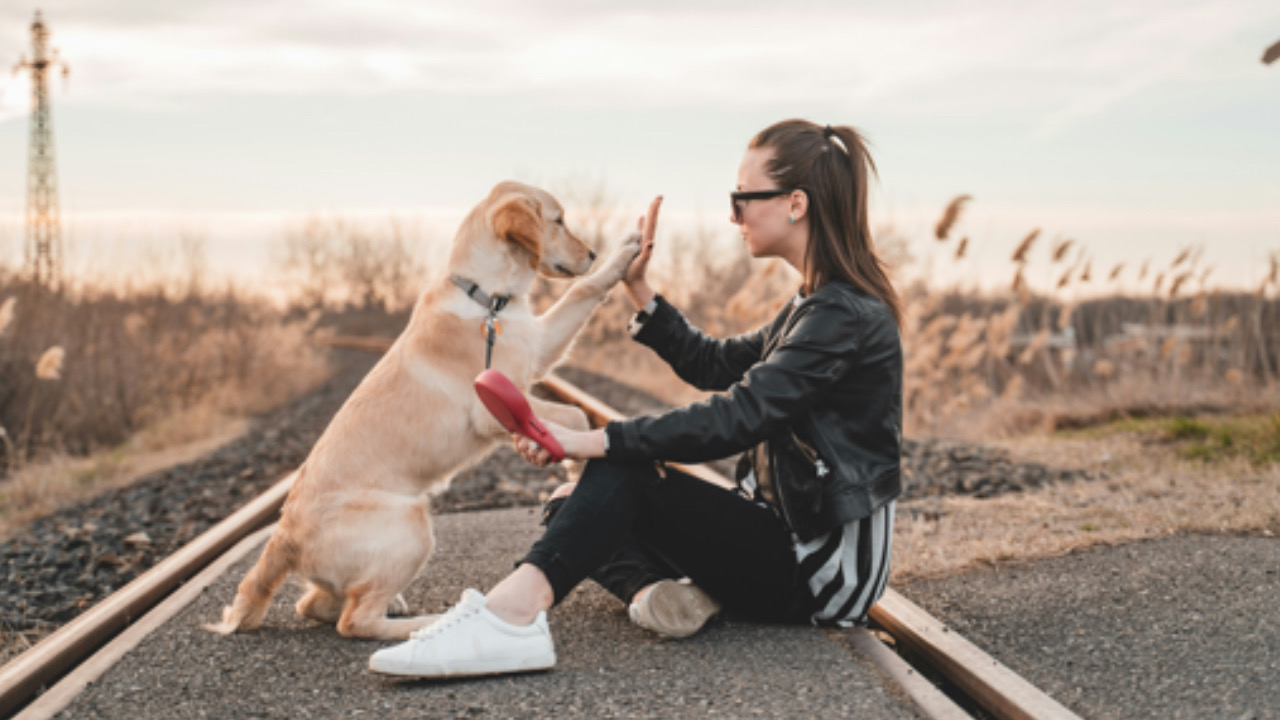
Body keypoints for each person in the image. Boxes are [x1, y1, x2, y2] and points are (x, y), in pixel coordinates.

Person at [368, 118, 904, 679]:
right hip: (780, 538)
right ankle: (659, 594)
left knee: (616, 477)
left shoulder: (842, 314)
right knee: (571, 505)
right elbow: (715, 364)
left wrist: (594, 439)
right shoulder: (813, 305)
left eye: (741, 198)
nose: (732, 214)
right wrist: (638, 286)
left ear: (795, 203)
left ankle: (510, 617)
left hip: (819, 571)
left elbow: (739, 416)